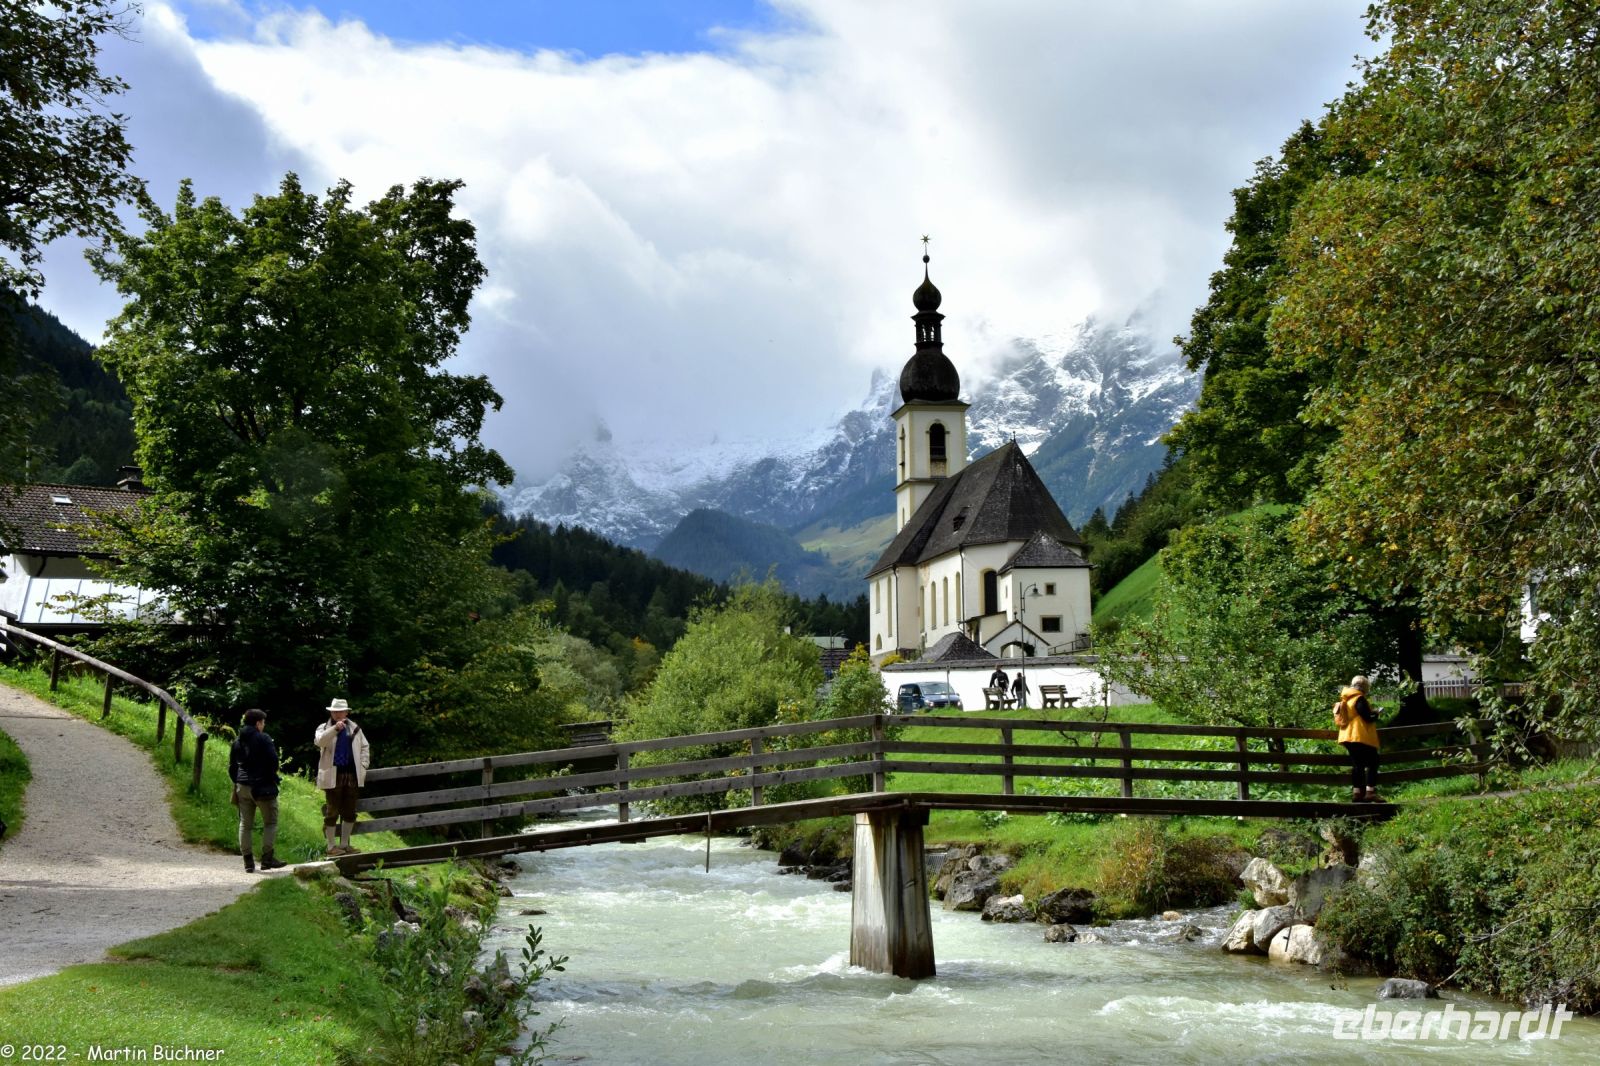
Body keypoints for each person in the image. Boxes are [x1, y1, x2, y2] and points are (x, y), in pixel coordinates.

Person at [229, 708, 284, 872]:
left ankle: (248, 862)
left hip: (242, 786)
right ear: (258, 723)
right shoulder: (264, 738)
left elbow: (232, 767)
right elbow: (274, 761)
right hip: (263, 788)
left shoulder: (237, 741)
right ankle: (267, 859)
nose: (264, 725)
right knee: (270, 822)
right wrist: (268, 776)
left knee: (245, 824)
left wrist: (238, 781)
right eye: (263, 722)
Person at [315, 697, 371, 856]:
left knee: (349, 811)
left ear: (346, 712)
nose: (338, 714)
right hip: (333, 775)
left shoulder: (355, 728)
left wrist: (364, 765)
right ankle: (331, 847)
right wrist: (334, 730)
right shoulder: (323, 728)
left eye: (341, 711)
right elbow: (320, 742)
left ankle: (345, 845)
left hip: (352, 775)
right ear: (331, 713)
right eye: (335, 711)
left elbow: (365, 747)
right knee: (332, 811)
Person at [1335, 674, 1381, 802]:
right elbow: (1366, 717)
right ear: (1365, 687)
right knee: (1374, 761)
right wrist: (1376, 715)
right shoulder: (1359, 698)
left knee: (1358, 764)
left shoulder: (1346, 698)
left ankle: (1357, 793)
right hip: (1358, 735)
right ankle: (1370, 791)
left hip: (1346, 735)